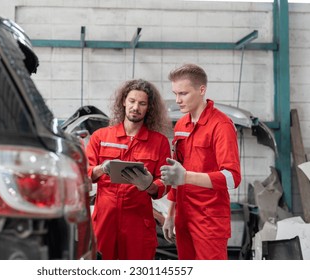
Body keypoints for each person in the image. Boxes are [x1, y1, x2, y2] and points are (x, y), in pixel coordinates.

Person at [160, 63, 241, 260]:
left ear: (201, 90)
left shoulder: (221, 126)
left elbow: (232, 178)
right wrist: (170, 214)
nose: (177, 100)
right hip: (183, 216)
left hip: (209, 219)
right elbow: (175, 174)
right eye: (175, 93)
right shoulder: (181, 124)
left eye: (183, 93)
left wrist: (186, 177)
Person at [85, 79, 172, 260]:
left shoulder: (159, 142)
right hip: (105, 218)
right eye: (132, 101)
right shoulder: (101, 136)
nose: (135, 107)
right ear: (124, 101)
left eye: (142, 103)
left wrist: (149, 185)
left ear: (149, 108)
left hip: (138, 222)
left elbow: (164, 184)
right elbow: (85, 173)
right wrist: (102, 168)